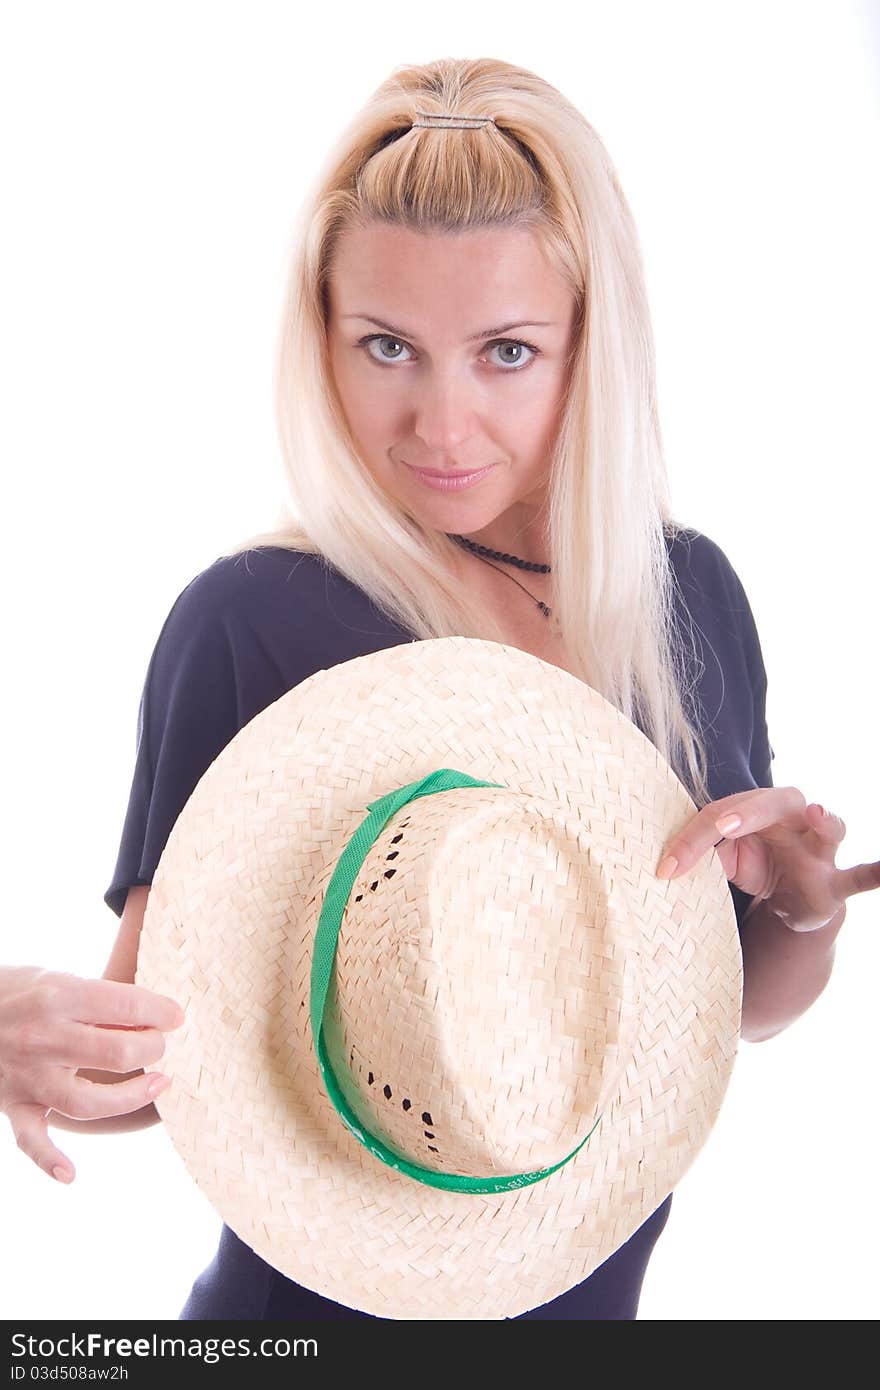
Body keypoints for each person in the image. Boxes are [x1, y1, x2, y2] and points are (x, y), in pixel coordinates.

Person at [3, 55, 875, 1322]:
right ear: (323, 337)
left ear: (594, 347)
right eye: (388, 348)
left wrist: (805, 917)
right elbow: (166, 1057)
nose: (441, 426)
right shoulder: (252, 623)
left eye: (507, 352)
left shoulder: (684, 601)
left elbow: (729, 1015)